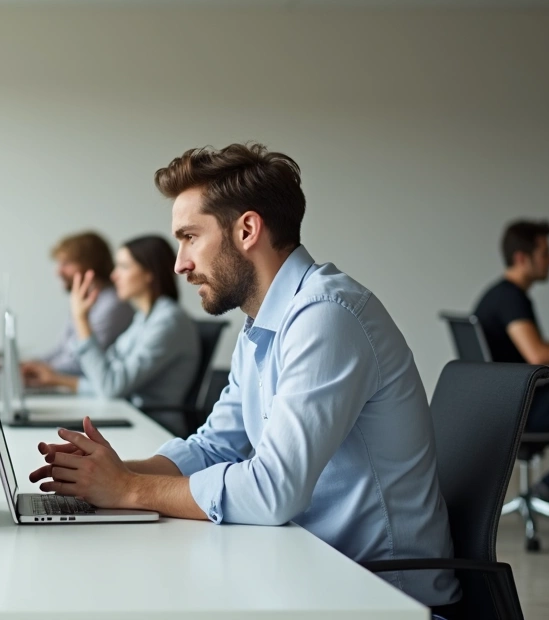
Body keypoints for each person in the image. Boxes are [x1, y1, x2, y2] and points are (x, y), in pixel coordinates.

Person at [28, 143, 460, 613]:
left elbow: (273, 491)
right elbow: (215, 446)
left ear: (247, 230)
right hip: (311, 571)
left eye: (190, 236)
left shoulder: (327, 316)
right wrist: (113, 471)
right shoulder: (263, 327)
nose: (179, 263)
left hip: (378, 596)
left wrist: (129, 489)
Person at [473, 220, 549, 510]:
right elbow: (538, 353)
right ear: (523, 258)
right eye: (545, 253)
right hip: (525, 408)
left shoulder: (500, 294)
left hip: (509, 405)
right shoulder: (510, 298)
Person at [18, 235, 202, 408]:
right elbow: (106, 378)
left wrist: (81, 319)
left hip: (152, 425)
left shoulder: (168, 321)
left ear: (149, 273)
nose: (114, 276)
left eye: (123, 267)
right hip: (129, 412)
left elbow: (111, 387)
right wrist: (55, 379)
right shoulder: (144, 318)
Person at [22, 231, 134, 381]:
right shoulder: (81, 300)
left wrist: (41, 371)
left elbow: (84, 361)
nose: (58, 271)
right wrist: (31, 364)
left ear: (90, 265)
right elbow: (62, 350)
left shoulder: (114, 305)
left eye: (66, 264)